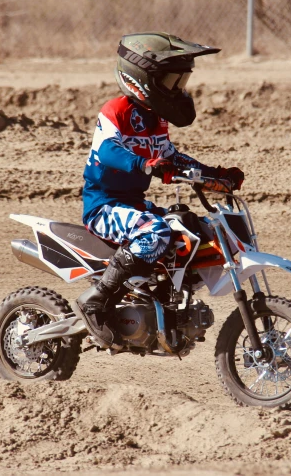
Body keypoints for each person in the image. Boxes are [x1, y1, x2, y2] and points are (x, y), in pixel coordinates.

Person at [76, 32, 244, 349]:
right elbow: (108, 150)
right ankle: (95, 300)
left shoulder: (155, 120)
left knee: (193, 228)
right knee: (155, 233)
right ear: (144, 78)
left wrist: (215, 175)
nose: (177, 90)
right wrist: (145, 165)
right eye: (172, 82)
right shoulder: (116, 110)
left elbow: (171, 157)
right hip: (104, 207)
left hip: (134, 205)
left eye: (181, 82)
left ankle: (164, 302)